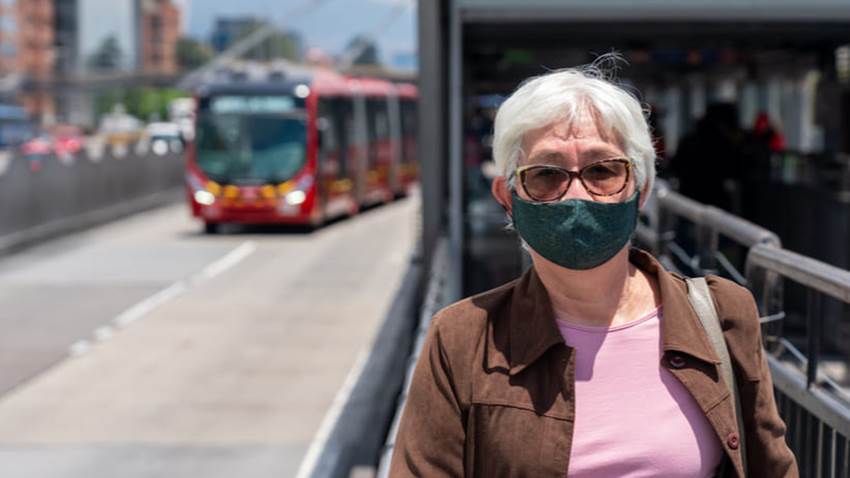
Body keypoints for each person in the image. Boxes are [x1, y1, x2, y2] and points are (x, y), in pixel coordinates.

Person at [389, 60, 798, 477]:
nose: (576, 195)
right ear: (508, 197)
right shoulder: (460, 340)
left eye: (603, 170)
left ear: (640, 190)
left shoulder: (724, 315)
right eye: (546, 174)